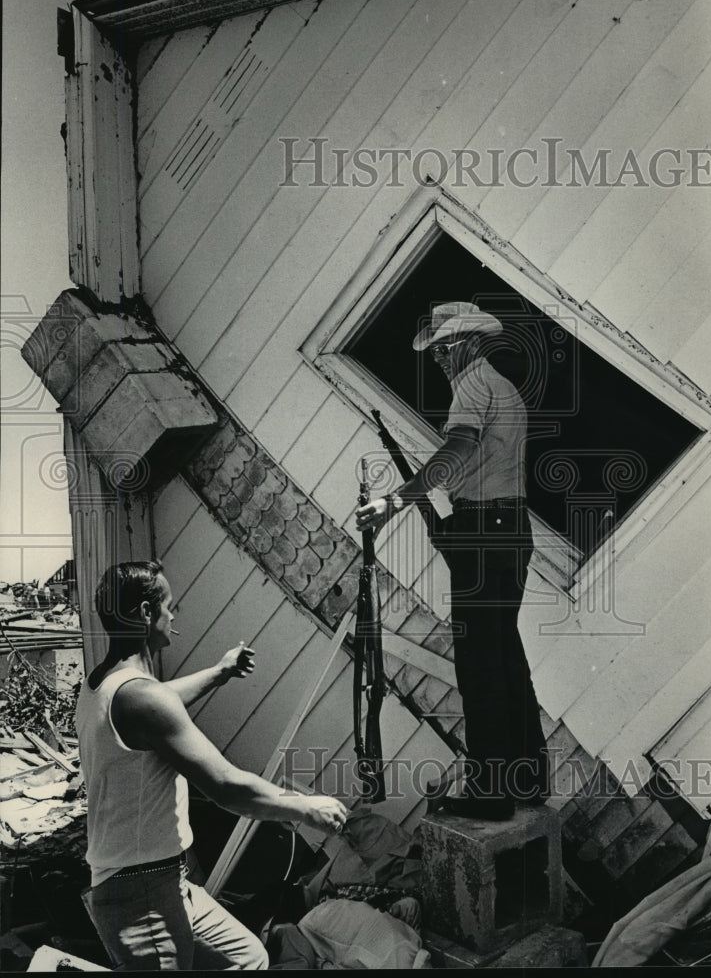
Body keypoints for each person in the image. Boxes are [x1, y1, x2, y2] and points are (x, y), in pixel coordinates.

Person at [76, 560, 348, 970]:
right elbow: (226, 787)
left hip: (164, 883)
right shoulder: (143, 701)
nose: (173, 614)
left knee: (247, 958)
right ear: (147, 614)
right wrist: (306, 807)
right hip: (141, 896)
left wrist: (220, 672)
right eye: (169, 606)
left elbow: (163, 699)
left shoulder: (103, 685)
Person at [356, 302, 549, 821]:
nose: (438, 357)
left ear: (468, 341)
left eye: (444, 346)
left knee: (480, 664)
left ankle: (491, 793)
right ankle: (528, 777)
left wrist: (393, 501)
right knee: (504, 654)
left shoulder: (472, 385)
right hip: (507, 529)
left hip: (487, 531)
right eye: (435, 349)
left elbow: (457, 451)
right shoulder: (499, 387)